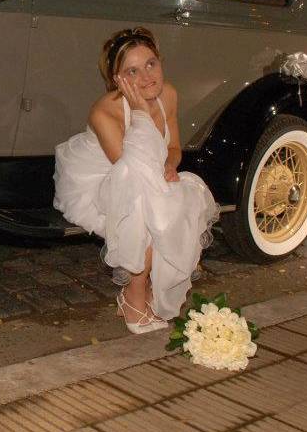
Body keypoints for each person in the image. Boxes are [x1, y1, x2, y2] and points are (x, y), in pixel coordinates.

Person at [54, 28, 218, 334]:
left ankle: (153, 290)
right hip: (105, 180)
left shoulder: (168, 93)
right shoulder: (104, 112)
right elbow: (127, 170)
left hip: (150, 173)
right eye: (133, 70)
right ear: (118, 79)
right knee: (147, 212)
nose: (147, 77)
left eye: (151, 64)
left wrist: (170, 165)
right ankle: (133, 298)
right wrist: (142, 112)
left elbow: (173, 147)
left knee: (186, 200)